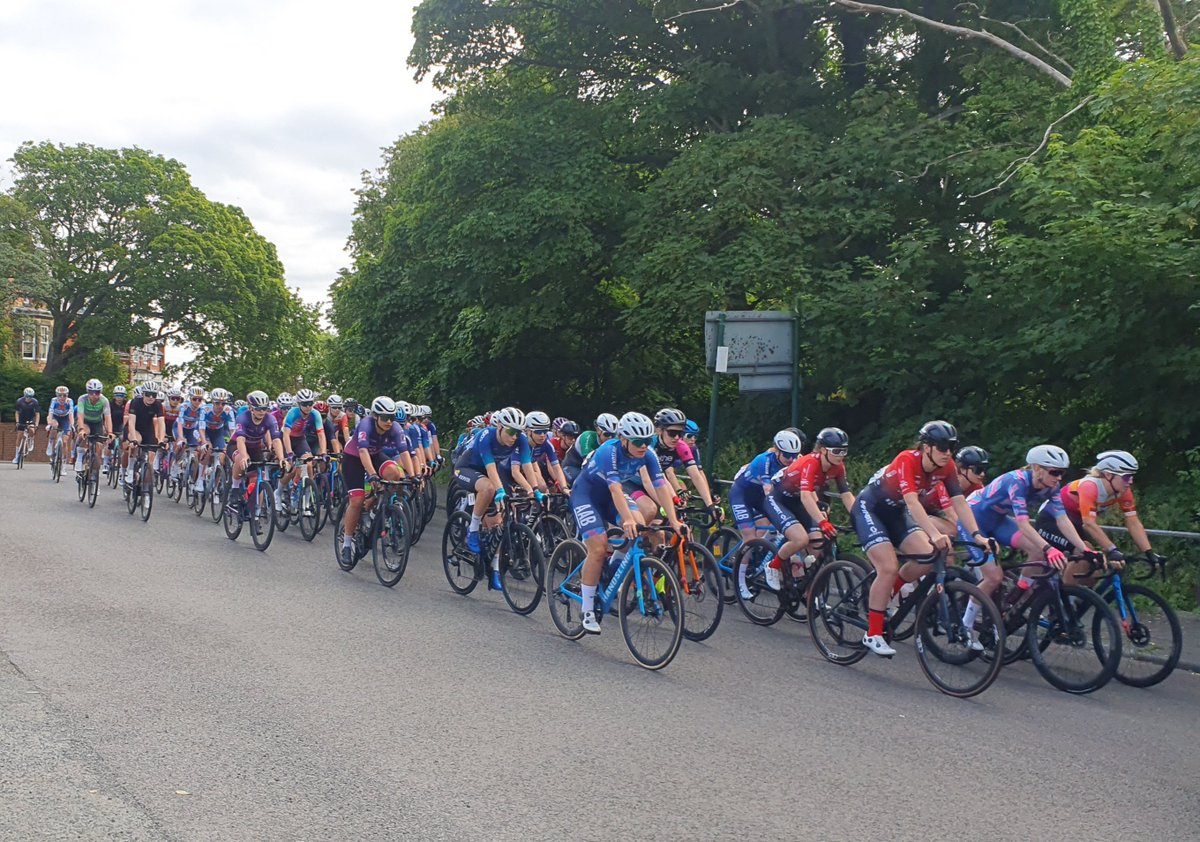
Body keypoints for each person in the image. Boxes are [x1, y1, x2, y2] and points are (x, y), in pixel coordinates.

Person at [849, 420, 990, 657]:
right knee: (889, 566)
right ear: (927, 447)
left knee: (927, 557)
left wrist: (977, 535)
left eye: (951, 448)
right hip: (870, 509)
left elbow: (959, 503)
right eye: (943, 448)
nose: (948, 454)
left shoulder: (947, 468)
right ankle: (872, 633)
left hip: (896, 513)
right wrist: (935, 534)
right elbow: (913, 502)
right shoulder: (907, 460)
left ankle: (888, 593)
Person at [956, 444, 1087, 648]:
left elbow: (1062, 520)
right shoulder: (1017, 481)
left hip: (998, 520)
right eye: (1054, 472)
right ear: (1036, 468)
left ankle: (1019, 592)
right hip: (974, 519)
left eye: (1062, 473)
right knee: (994, 576)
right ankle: (966, 625)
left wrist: (1084, 549)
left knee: (1037, 552)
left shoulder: (1051, 487)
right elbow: (1024, 524)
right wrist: (1049, 548)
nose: (1059, 478)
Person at [568, 411, 684, 634]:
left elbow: (660, 486)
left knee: (640, 527)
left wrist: (674, 520)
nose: (643, 446)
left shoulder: (647, 454)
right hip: (587, 496)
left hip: (612, 497)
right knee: (599, 547)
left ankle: (612, 571)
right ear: (623, 439)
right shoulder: (607, 452)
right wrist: (627, 519)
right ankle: (587, 607)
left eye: (647, 441)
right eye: (638, 442)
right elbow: (615, 488)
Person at [1040, 450, 1159, 585]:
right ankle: (1067, 597)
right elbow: (1089, 524)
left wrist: (1149, 552)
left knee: (1096, 567)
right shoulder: (1089, 487)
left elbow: (1133, 522)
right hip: (1051, 519)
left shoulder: (1123, 492)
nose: (1130, 481)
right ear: (1108, 475)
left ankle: (1076, 598)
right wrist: (1113, 550)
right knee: (1084, 551)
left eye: (1132, 476)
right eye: (1126, 477)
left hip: (1074, 523)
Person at [761, 427, 856, 589]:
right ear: (824, 450)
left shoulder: (838, 467)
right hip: (779, 500)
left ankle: (809, 592)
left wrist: (858, 518)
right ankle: (772, 566)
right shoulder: (811, 462)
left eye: (844, 451)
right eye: (837, 451)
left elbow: (846, 495)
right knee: (800, 539)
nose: (841, 455)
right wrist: (822, 521)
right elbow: (806, 495)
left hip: (798, 501)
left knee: (817, 542)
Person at [452, 407, 537, 587]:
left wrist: (534, 489)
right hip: (467, 468)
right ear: (499, 427)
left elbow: (527, 465)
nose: (515, 436)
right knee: (490, 489)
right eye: (511, 431)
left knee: (501, 520)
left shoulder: (520, 439)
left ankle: (495, 567)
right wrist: (500, 492)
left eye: (518, 432)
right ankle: (473, 529)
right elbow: (490, 468)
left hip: (492, 472)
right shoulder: (486, 435)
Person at [338, 396, 417, 566]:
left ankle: (374, 506)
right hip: (354, 458)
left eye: (392, 417)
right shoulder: (366, 425)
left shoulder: (395, 428)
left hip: (375, 456)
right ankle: (346, 543)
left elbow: (404, 452)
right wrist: (372, 474)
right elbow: (363, 453)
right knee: (357, 501)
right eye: (385, 418)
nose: (389, 421)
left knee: (395, 474)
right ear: (375, 416)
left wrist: (413, 476)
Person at [728, 430, 805, 554]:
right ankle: (739, 570)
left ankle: (761, 555)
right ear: (777, 450)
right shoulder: (765, 460)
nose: (791, 459)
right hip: (742, 495)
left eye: (794, 455)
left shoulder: (796, 460)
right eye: (786, 455)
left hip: (759, 497)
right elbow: (768, 490)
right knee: (750, 538)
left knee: (780, 525)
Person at [227, 390, 287, 512]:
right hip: (237, 445)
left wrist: (281, 458)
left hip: (255, 447)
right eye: (258, 408)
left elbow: (276, 440)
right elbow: (240, 440)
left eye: (264, 408)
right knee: (240, 459)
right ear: (250, 407)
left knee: (260, 477)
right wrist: (244, 456)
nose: (261, 412)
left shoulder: (270, 419)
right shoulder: (243, 418)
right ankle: (235, 488)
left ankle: (256, 512)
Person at [919, 445, 990, 536]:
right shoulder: (946, 482)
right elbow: (951, 515)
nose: (982, 474)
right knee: (952, 530)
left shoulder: (977, 486)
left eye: (984, 469)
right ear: (963, 469)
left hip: (936, 513)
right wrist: (976, 535)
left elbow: (982, 511)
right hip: (919, 512)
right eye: (978, 470)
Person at [124, 383, 166, 486]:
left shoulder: (158, 405)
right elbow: (131, 423)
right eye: (148, 394)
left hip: (147, 430)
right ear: (143, 394)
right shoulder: (135, 402)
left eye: (154, 395)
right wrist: (133, 439)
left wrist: (161, 439)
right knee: (136, 442)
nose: (151, 397)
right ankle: (130, 469)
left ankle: (146, 485)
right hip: (134, 429)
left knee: (151, 454)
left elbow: (161, 423)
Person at [561, 413, 618, 485]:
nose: (610, 438)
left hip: (591, 468)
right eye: (606, 434)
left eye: (613, 435)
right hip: (572, 466)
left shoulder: (615, 441)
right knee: (582, 483)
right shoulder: (587, 437)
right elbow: (587, 466)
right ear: (598, 430)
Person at [197, 388, 235, 494]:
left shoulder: (228, 410)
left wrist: (231, 443)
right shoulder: (205, 409)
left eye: (223, 403)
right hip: (206, 432)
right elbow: (201, 428)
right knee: (208, 450)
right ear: (213, 402)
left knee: (222, 456)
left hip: (218, 432)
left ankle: (215, 487)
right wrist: (204, 441)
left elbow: (232, 430)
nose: (220, 406)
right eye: (217, 403)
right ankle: (200, 479)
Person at [73, 379, 112, 474]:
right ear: (87, 392)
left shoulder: (104, 400)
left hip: (97, 423)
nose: (94, 395)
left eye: (97, 392)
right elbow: (80, 416)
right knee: (85, 432)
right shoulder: (82, 399)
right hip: (85, 422)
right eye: (91, 392)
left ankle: (94, 476)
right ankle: (79, 457)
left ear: (100, 392)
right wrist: (81, 429)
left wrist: (110, 432)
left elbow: (107, 417)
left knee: (99, 447)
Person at [45, 385, 75, 461]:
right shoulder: (54, 400)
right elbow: (50, 412)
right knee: (54, 425)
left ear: (67, 395)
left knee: (65, 442)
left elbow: (71, 414)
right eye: (59, 395)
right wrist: (49, 424)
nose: (62, 397)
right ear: (56, 395)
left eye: (64, 395)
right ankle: (51, 441)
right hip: (55, 417)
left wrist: (72, 425)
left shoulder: (69, 401)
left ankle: (64, 463)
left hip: (65, 418)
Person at [12, 387, 41, 463]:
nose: (28, 398)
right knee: (19, 436)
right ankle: (16, 456)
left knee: (31, 429)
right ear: (24, 395)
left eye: (30, 397)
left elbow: (37, 414)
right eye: (27, 397)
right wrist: (17, 422)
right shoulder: (19, 401)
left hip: (31, 417)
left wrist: (36, 424)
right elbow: (17, 413)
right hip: (22, 418)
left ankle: (31, 439)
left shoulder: (35, 402)